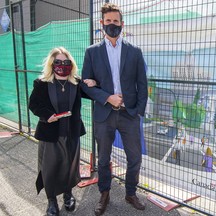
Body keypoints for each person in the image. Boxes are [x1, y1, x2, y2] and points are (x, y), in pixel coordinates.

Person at [80, 3, 148, 216]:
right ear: (102, 24)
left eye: (115, 21)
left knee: (135, 157)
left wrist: (138, 111)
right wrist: (107, 97)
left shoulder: (135, 52)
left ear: (122, 24)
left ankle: (130, 193)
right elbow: (84, 84)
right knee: (103, 158)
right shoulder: (92, 52)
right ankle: (104, 193)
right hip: (104, 113)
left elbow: (142, 85)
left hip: (129, 114)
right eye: (108, 22)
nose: (112, 25)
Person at [29, 47, 86, 216]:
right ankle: (51, 200)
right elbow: (33, 105)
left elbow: (92, 93)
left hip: (72, 133)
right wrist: (47, 116)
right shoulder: (42, 83)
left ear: (71, 64)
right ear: (52, 64)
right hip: (50, 134)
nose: (62, 65)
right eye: (58, 62)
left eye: (66, 62)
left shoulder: (76, 82)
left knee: (70, 166)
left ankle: (68, 195)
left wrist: (92, 82)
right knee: (50, 168)